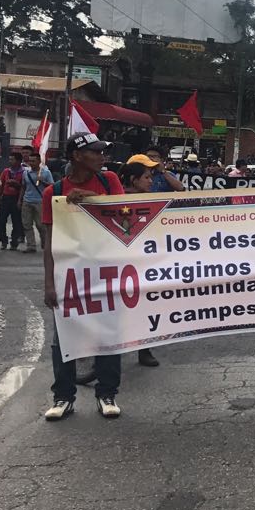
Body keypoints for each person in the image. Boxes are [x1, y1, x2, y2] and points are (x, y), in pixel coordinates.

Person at [43, 133, 126, 421]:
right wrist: (49, 282)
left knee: (108, 336)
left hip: (106, 273)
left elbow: (122, 216)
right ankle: (63, 397)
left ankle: (107, 393)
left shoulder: (109, 180)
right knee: (63, 340)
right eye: (95, 151)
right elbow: (50, 241)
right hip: (70, 277)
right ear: (77, 156)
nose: (102, 156)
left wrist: (87, 199)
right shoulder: (53, 191)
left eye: (102, 151)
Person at [115, 158, 163, 368]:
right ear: (133, 180)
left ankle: (144, 349)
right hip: (118, 265)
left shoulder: (151, 202)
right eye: (146, 177)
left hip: (142, 265)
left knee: (144, 308)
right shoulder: (116, 200)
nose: (151, 181)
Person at [19, 148, 54, 254]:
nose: (31, 163)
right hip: (27, 200)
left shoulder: (46, 172)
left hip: (40, 201)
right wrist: (20, 200)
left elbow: (52, 186)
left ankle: (45, 243)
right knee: (26, 224)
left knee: (41, 225)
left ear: (39, 162)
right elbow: (23, 187)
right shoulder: (26, 173)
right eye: (30, 161)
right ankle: (31, 245)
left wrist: (43, 182)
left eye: (33, 161)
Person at [0, 150, 27, 250]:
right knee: (0, 221)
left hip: (17, 198)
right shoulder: (6, 171)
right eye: (9, 159)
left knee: (17, 222)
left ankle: (14, 242)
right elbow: (0, 186)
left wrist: (16, 184)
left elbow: (24, 187)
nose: (10, 161)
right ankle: (3, 240)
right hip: (6, 198)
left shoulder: (24, 172)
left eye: (12, 159)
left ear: (19, 161)